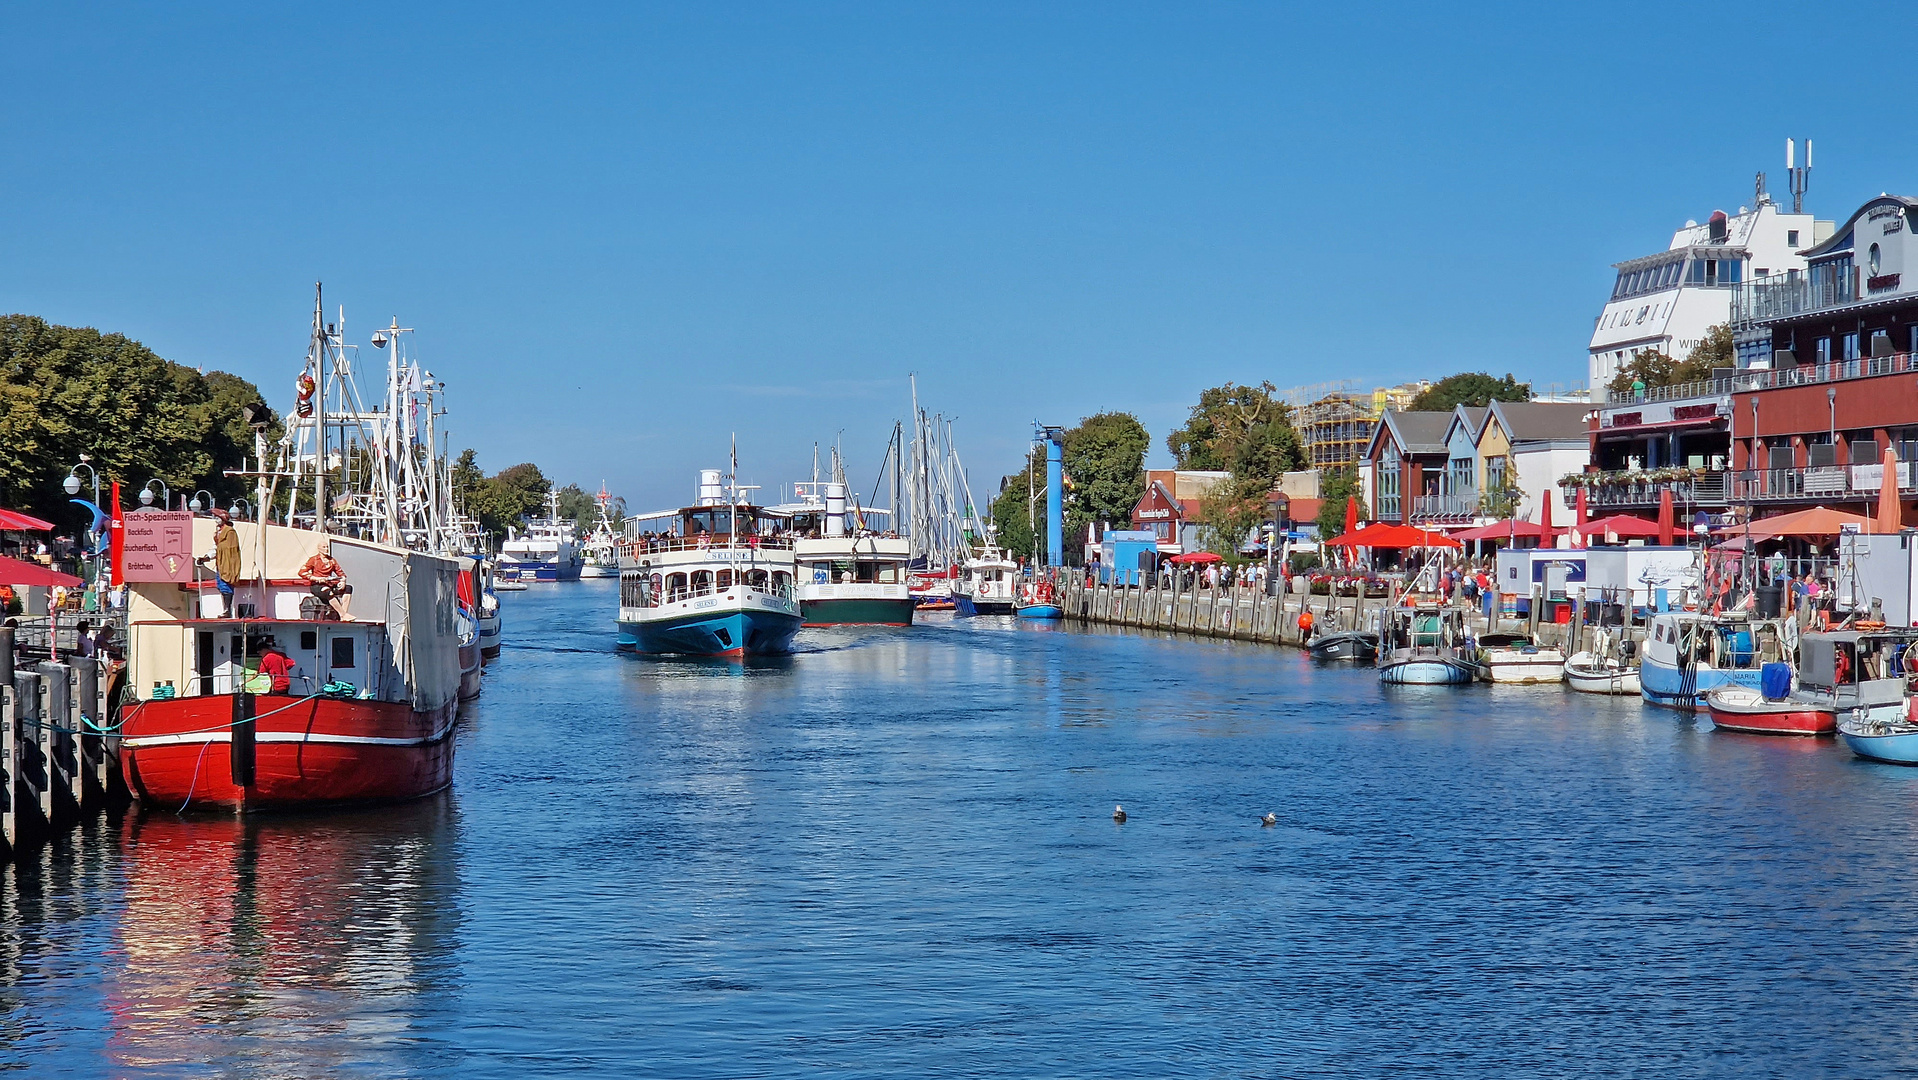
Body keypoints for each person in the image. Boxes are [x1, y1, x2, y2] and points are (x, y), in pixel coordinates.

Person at [198, 509, 242, 618]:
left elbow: (230, 551)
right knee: (221, 585)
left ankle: (227, 610)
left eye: (218, 518)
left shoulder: (230, 532)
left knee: (226, 584)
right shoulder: (218, 533)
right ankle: (225, 609)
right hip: (220, 563)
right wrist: (206, 558)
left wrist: (225, 559)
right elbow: (216, 548)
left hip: (228, 563)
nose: (216, 520)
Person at [299, 539, 354, 621]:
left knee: (348, 588)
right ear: (319, 549)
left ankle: (343, 614)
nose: (326, 549)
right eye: (324, 547)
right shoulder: (313, 560)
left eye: (327, 547)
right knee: (327, 591)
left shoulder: (332, 560)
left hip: (329, 583)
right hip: (317, 586)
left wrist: (342, 581)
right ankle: (342, 614)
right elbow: (302, 572)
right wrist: (316, 578)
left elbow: (341, 573)